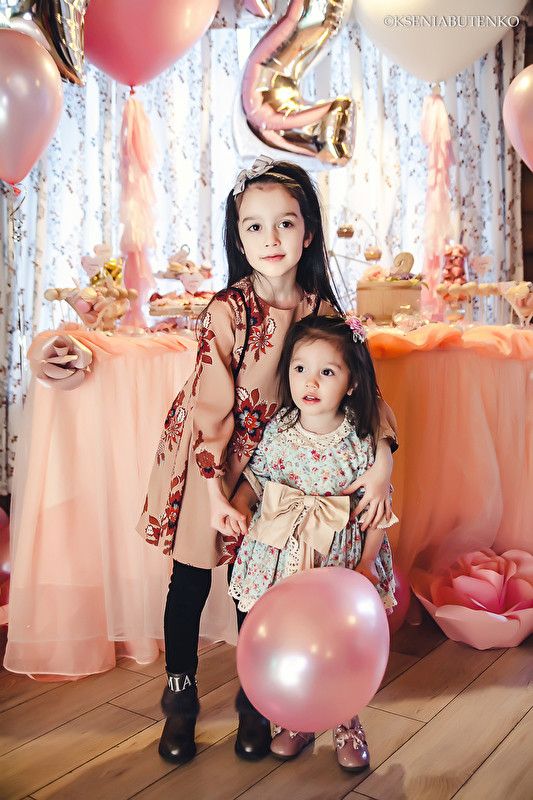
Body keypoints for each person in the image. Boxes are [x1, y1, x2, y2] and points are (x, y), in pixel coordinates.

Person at [136, 155, 398, 765]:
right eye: (254, 226)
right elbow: (209, 407)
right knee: (191, 578)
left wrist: (382, 464)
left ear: (308, 233)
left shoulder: (324, 312)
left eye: (285, 223)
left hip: (283, 468)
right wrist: (214, 495)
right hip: (212, 460)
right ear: (238, 237)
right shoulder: (226, 311)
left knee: (262, 582)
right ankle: (181, 699)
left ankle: (258, 699)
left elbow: (367, 395)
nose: (270, 238)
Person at [226, 314, 397, 771]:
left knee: (334, 643)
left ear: (352, 382)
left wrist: (366, 564)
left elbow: (377, 511)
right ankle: (297, 718)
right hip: (281, 554)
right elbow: (257, 481)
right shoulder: (278, 428)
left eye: (327, 371)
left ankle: (346, 721)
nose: (311, 382)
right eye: (300, 368)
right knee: (292, 638)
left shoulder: (360, 439)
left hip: (336, 562)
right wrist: (239, 506)